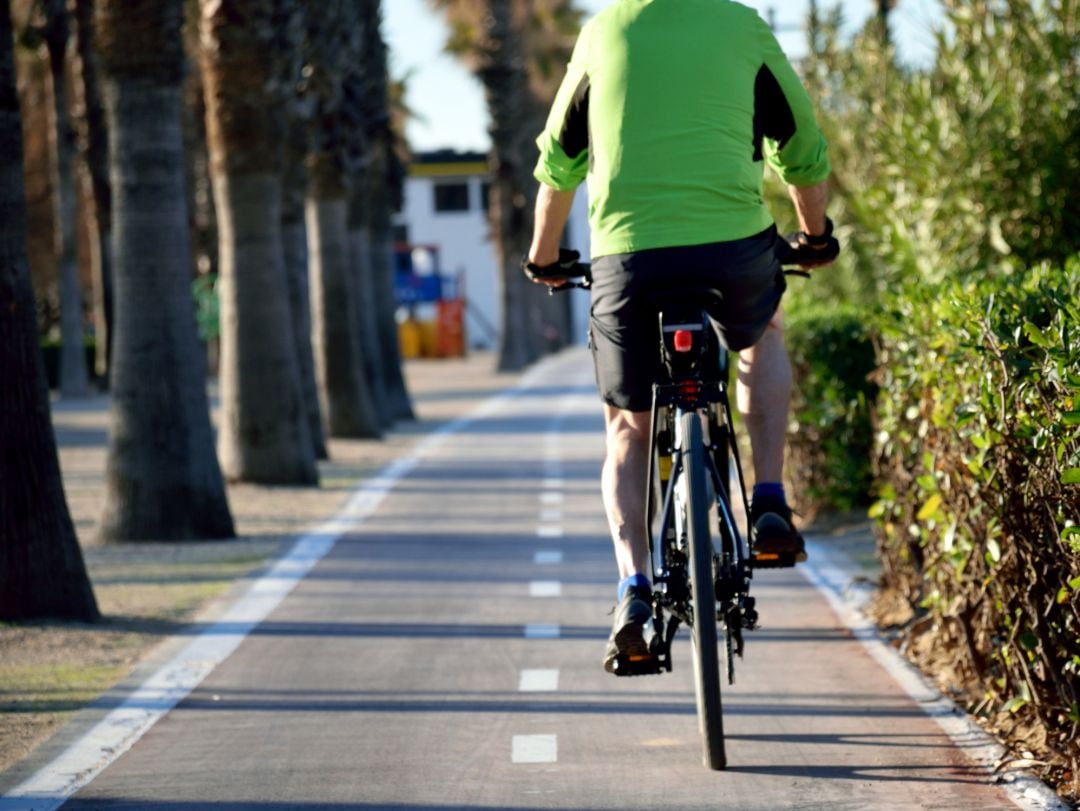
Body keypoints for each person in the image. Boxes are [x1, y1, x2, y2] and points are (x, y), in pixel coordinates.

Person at [523, 0, 837, 673]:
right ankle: (771, 500)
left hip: (626, 260)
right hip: (734, 249)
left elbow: (559, 163)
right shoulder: (743, 26)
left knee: (627, 428)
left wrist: (543, 255)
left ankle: (634, 588)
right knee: (762, 333)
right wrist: (813, 235)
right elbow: (802, 148)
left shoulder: (602, 33)